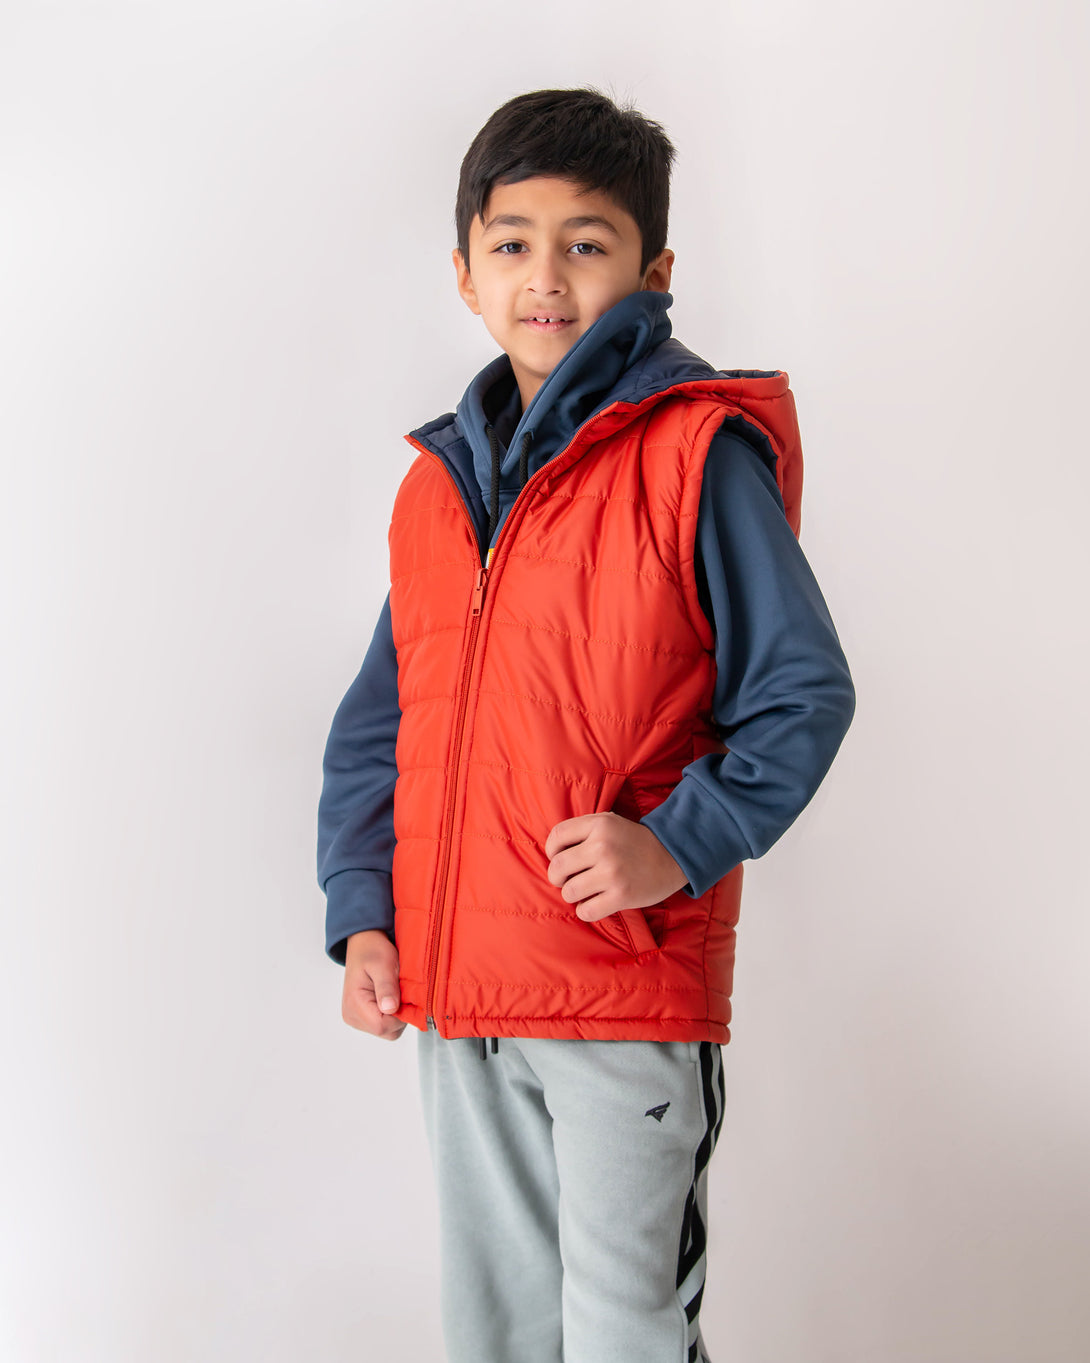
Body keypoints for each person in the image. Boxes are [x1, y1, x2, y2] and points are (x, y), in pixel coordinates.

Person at [317, 87, 856, 1363]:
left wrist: (675, 841)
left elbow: (802, 689)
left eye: (587, 242)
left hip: (620, 990)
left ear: (653, 272)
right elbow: (381, 723)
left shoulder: (694, 454)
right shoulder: (439, 489)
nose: (546, 276)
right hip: (462, 1001)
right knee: (497, 1332)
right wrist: (363, 910)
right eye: (512, 243)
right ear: (465, 274)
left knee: (624, 1330)